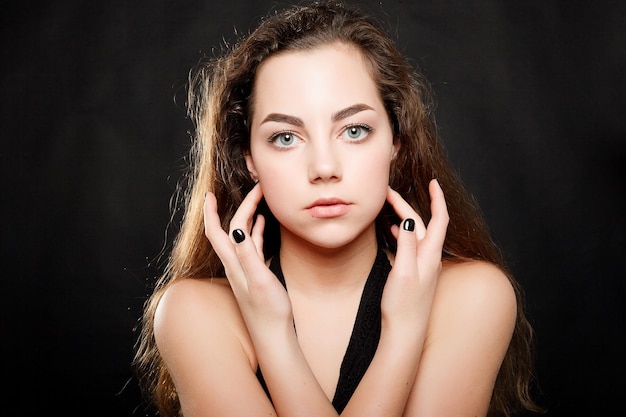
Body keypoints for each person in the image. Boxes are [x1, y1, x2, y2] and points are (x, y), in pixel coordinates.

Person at [133, 1, 542, 416]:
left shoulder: (473, 297)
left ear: (396, 144)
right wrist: (271, 330)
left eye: (354, 130)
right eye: (285, 138)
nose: (324, 168)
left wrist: (405, 327)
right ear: (249, 159)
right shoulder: (192, 313)